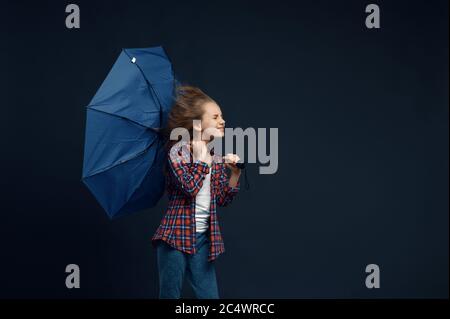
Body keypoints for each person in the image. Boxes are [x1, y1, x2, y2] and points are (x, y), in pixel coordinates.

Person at [151, 85, 241, 299]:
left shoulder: (216, 157)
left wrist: (235, 175)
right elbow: (189, 188)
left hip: (203, 240)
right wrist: (202, 159)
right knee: (170, 296)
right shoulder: (178, 152)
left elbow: (221, 199)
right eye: (216, 117)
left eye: (222, 116)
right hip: (175, 237)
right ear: (199, 124)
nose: (223, 121)